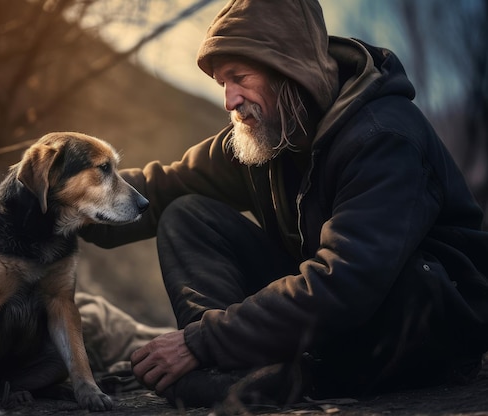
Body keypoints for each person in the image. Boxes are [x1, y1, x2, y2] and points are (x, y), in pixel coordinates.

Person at [81, 0, 488, 409]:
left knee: (381, 280)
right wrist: (58, 205)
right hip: (337, 319)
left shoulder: (383, 137)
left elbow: (344, 281)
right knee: (188, 215)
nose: (230, 100)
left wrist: (201, 341)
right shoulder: (272, 128)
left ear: (291, 67)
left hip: (420, 326)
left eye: (239, 78)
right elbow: (167, 185)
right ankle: (233, 375)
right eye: (223, 83)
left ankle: (254, 373)